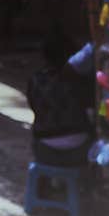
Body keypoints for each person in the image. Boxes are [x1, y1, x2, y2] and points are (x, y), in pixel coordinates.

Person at [26, 28, 95, 168]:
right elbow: (90, 104)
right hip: (78, 149)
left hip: (45, 150)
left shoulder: (35, 79)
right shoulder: (78, 78)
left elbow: (34, 108)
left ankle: (48, 185)